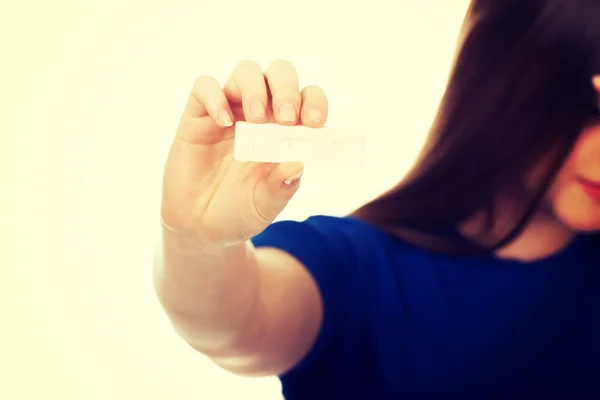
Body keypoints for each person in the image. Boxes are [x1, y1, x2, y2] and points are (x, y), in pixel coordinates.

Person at [153, 1, 600, 398]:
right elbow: (237, 324)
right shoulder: (363, 268)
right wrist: (196, 243)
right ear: (504, 76)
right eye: (594, 108)